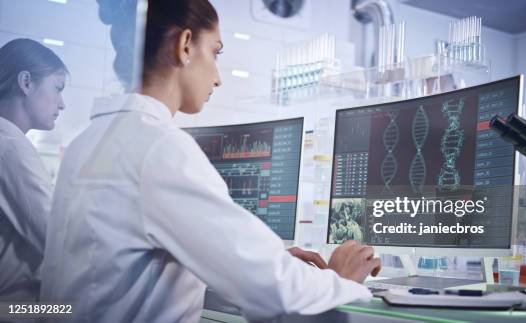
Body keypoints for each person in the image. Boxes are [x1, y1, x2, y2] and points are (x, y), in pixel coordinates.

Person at [40, 1, 380, 322]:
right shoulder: (159, 147)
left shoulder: (88, 141)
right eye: (215, 53)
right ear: (185, 45)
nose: (218, 76)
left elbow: (122, 267)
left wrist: (253, 263)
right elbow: (274, 290)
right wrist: (340, 279)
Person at [0, 38, 67, 301]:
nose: (62, 104)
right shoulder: (11, 148)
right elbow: (58, 242)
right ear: (26, 82)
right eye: (57, 88)